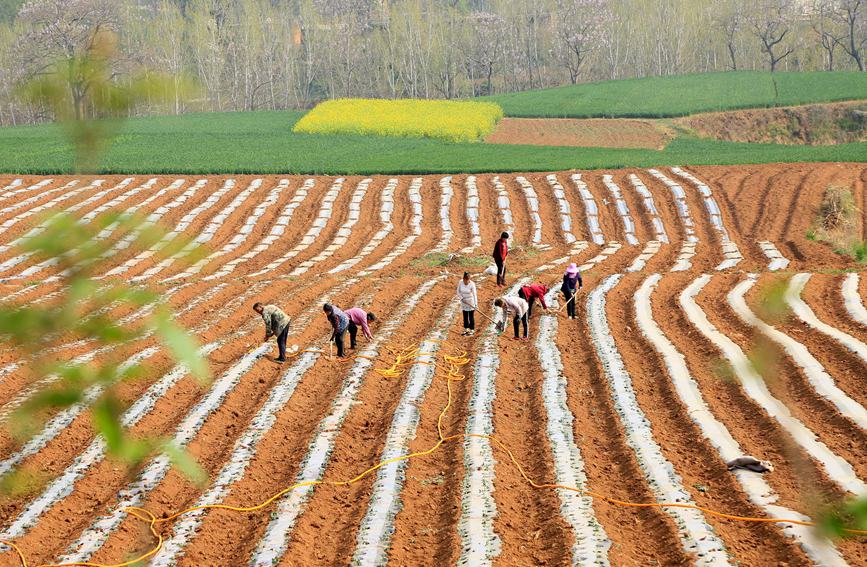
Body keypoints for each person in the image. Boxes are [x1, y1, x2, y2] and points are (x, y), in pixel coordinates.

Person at [456, 272, 478, 336]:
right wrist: (462, 298)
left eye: (468, 281)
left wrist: (476, 304)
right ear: (463, 279)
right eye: (465, 281)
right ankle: (466, 329)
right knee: (465, 315)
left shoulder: (472, 284)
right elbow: (458, 291)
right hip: (464, 301)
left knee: (471, 316)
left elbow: (474, 295)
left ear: (469, 279)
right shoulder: (460, 282)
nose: (466, 282)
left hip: (471, 301)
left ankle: (472, 329)